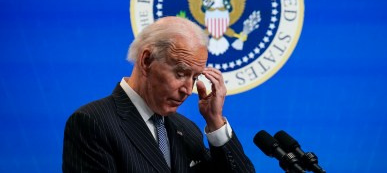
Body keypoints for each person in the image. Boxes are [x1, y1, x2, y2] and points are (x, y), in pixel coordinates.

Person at [62, 16, 255, 173]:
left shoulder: (186, 130)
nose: (188, 90)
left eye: (195, 78)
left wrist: (215, 121)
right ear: (146, 61)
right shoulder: (92, 122)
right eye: (180, 73)